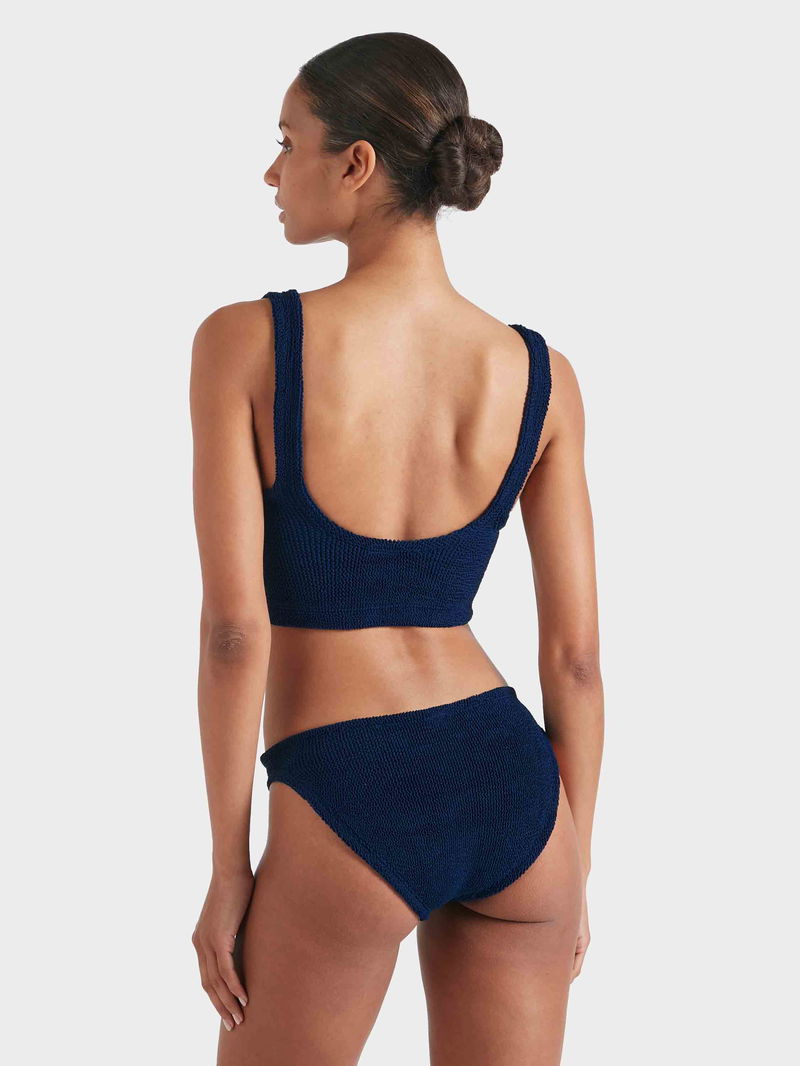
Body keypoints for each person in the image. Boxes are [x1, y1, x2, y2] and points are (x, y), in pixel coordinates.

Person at [190, 31, 603, 1066]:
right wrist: (573, 859)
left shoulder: (246, 344)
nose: (272, 173)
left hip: (349, 786)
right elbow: (575, 661)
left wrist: (230, 865)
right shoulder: (540, 374)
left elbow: (236, 631)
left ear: (357, 164)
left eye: (288, 142)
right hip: (517, 792)